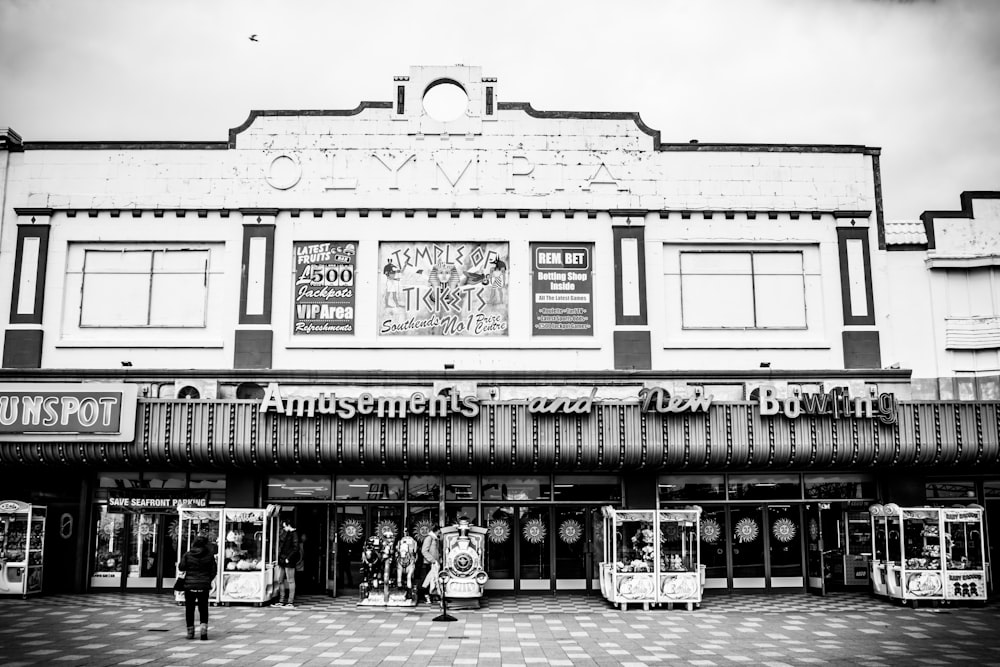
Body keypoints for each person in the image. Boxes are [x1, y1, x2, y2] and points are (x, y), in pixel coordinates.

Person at [177, 535, 217, 641]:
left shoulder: (188, 554)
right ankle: (203, 631)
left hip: (189, 586)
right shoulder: (209, 556)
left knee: (189, 609)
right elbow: (214, 571)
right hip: (204, 585)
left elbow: (181, 567)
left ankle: (190, 632)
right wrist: (207, 580)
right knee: (203, 608)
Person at [275, 520, 300, 607]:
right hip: (283, 559)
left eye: (285, 526)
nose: (284, 528)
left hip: (288, 560)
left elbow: (295, 548)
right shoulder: (288, 533)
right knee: (280, 579)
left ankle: (290, 601)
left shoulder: (294, 534)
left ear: (289, 525)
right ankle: (281, 600)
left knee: (290, 580)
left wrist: (288, 558)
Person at [420, 525, 441, 604]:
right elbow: (424, 551)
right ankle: (426, 597)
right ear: (437, 530)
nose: (440, 533)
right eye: (439, 531)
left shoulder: (436, 539)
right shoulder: (429, 538)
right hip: (429, 563)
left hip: (435, 564)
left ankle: (432, 596)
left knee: (434, 580)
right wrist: (432, 560)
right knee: (427, 581)